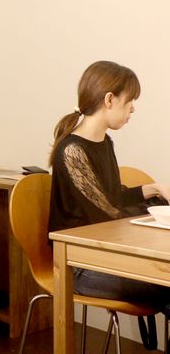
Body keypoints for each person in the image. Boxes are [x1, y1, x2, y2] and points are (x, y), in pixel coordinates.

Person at [49, 60, 170, 314]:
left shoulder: (106, 142)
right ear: (109, 100)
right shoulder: (72, 151)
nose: (133, 108)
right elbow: (108, 215)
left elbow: (114, 198)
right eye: (130, 101)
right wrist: (151, 212)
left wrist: (156, 189)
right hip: (79, 264)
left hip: (106, 254)